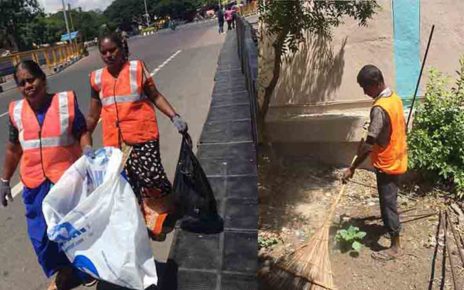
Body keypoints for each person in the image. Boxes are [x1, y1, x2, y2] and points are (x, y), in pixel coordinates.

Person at [0, 60, 95, 290]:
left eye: (31, 79)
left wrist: (89, 152)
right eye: (22, 83)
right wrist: (4, 180)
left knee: (73, 232)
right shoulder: (16, 112)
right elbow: (14, 149)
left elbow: (82, 132)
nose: (28, 86)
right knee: (41, 237)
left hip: (65, 181)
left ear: (42, 78)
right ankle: (62, 271)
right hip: (34, 185)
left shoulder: (65, 102)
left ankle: (83, 269)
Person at [86, 32, 188, 241]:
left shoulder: (136, 69)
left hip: (143, 134)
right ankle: (147, 224)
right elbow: (93, 114)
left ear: (122, 48)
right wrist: (83, 135)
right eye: (103, 52)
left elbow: (155, 96)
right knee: (129, 186)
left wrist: (174, 116)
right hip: (116, 143)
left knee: (153, 175)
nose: (108, 55)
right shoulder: (96, 79)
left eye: (112, 50)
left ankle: (167, 211)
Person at [342, 65, 407, 261]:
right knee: (391, 199)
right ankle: (393, 227)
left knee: (387, 203)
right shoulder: (393, 97)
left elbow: (369, 145)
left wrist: (352, 168)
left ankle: (395, 246)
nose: (364, 92)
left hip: (388, 163)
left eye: (365, 87)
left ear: (376, 84)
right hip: (398, 156)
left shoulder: (379, 109)